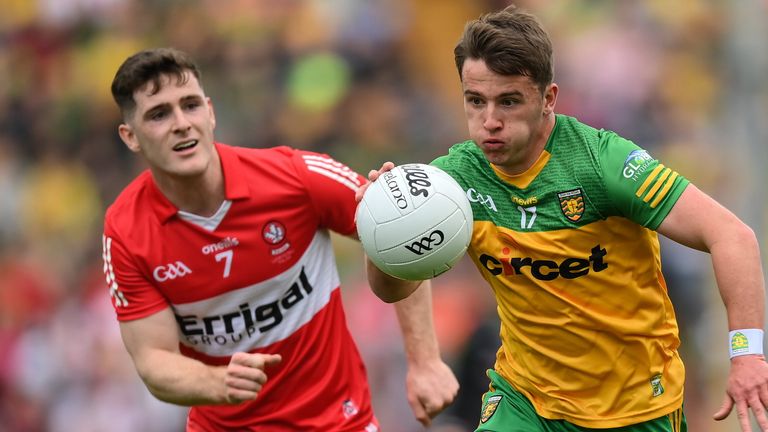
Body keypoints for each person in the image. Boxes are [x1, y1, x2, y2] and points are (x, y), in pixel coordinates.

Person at [358, 5, 768, 432]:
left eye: (509, 102)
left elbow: (732, 235)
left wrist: (747, 355)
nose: (489, 122)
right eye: (475, 101)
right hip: (525, 401)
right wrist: (384, 231)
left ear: (548, 98)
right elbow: (391, 288)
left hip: (635, 408)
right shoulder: (453, 181)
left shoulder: (603, 163)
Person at [101, 47, 458, 431]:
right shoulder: (125, 231)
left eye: (190, 105)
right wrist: (218, 382)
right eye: (158, 114)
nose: (181, 123)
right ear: (130, 136)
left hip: (340, 423)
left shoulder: (296, 176)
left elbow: (400, 231)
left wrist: (425, 362)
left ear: (210, 111)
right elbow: (154, 360)